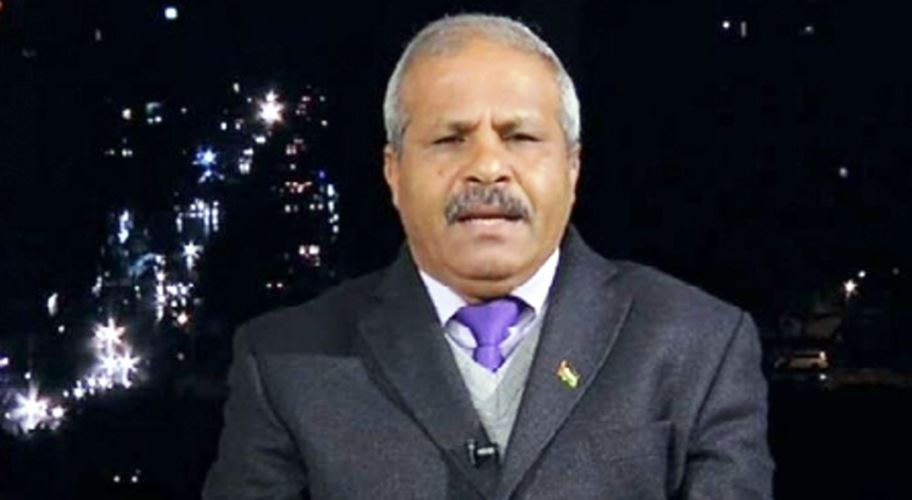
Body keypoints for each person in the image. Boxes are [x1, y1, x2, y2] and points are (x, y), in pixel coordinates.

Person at [203, 13, 773, 500]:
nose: (488, 168)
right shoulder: (282, 364)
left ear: (572, 168)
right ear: (393, 173)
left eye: (520, 137)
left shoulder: (700, 346)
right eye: (450, 139)